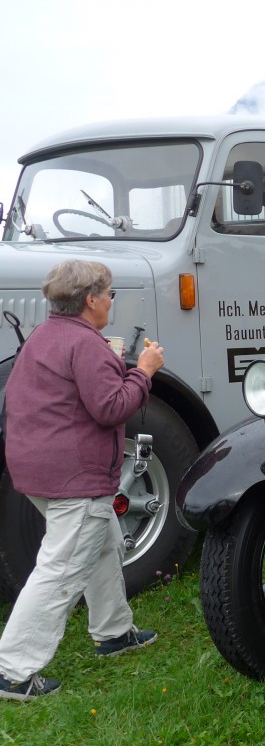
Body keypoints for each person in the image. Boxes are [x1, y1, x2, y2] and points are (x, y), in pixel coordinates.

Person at [0, 260, 164, 701]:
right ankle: (12, 671)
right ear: (90, 299)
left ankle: (113, 631)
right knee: (61, 569)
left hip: (36, 469)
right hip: (77, 475)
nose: (112, 301)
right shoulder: (85, 344)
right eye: (109, 294)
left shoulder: (44, 336)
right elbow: (111, 408)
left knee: (105, 542)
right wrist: (144, 369)